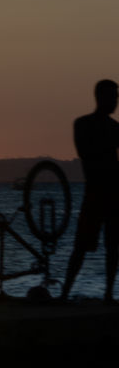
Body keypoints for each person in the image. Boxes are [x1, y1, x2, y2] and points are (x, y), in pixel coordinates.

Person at [61, 79, 119, 303]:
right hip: (95, 192)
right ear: (99, 97)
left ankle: (108, 294)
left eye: (116, 97)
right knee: (81, 246)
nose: (114, 101)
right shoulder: (83, 124)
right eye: (111, 96)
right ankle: (65, 292)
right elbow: (86, 154)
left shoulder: (114, 127)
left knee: (113, 246)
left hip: (113, 193)